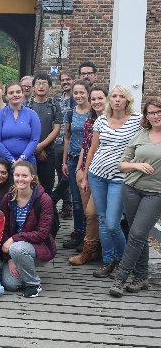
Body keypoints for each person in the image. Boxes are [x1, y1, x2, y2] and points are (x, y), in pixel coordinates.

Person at [82, 85, 141, 278]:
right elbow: (92, 149)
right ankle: (108, 261)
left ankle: (124, 262)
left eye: (121, 96)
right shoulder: (101, 120)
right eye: (114, 96)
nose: (117, 99)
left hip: (120, 178)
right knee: (101, 218)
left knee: (112, 223)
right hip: (97, 174)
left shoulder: (137, 121)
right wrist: (85, 175)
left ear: (127, 100)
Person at [109, 99, 161, 297]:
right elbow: (122, 164)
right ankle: (141, 277)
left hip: (156, 193)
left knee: (137, 233)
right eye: (151, 113)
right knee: (137, 234)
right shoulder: (141, 135)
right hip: (131, 188)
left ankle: (120, 278)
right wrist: (137, 166)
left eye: (158, 111)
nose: (155, 116)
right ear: (146, 116)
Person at [0, 161, 56, 297]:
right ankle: (23, 268)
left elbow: (42, 234)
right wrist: (9, 258)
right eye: (17, 175)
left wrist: (14, 239)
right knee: (10, 284)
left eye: (24, 176)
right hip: (13, 250)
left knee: (17, 248)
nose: (20, 179)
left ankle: (33, 284)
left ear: (33, 177)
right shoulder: (8, 198)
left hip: (38, 247)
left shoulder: (44, 199)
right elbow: (4, 230)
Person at [69, 86, 107, 266]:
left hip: (104, 173)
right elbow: (85, 147)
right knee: (88, 213)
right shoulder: (89, 121)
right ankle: (96, 250)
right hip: (86, 171)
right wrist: (79, 170)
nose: (97, 102)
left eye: (100, 98)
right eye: (94, 99)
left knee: (93, 213)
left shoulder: (113, 122)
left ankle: (88, 250)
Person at [61, 80, 91, 250]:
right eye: (76, 93)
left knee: (87, 199)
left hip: (88, 161)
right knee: (76, 200)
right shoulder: (70, 113)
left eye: (82, 93)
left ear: (88, 93)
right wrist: (64, 161)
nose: (79, 96)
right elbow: (67, 137)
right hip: (72, 160)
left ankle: (89, 234)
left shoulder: (94, 113)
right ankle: (78, 232)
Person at [27, 74, 62, 195]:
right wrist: (36, 149)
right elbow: (25, 129)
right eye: (38, 83)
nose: (41, 86)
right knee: (29, 185)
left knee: (47, 187)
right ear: (33, 87)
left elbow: (56, 129)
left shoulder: (54, 106)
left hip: (48, 153)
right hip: (29, 152)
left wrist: (42, 146)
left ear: (50, 87)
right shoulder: (27, 106)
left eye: (44, 83)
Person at [0, 81, 41, 165]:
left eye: (18, 92)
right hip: (3, 162)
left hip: (27, 162)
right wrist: (11, 160)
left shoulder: (32, 114)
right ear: (6, 96)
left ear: (22, 94)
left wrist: (23, 158)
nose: (15, 95)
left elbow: (34, 139)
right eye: (11, 93)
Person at [53, 69, 74, 220]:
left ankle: (62, 202)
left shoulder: (78, 98)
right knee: (61, 175)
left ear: (73, 80)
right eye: (63, 80)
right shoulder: (56, 100)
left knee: (67, 177)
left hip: (72, 143)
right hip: (57, 142)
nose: (65, 82)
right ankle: (66, 205)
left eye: (68, 79)